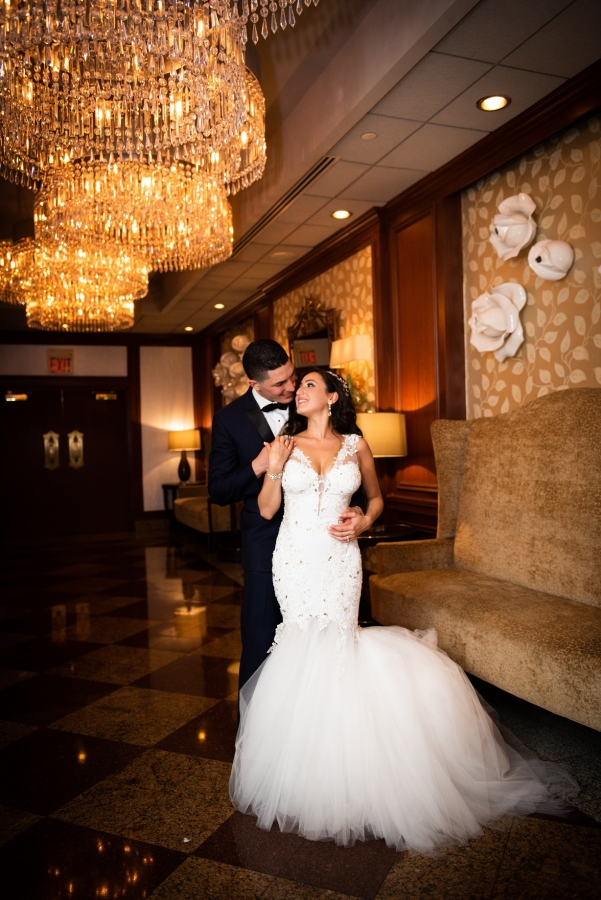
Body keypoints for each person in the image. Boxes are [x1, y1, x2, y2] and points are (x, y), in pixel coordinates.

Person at [229, 367, 577, 854]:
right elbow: (267, 510)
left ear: (331, 398)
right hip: (295, 560)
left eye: (308, 385)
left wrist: (361, 519)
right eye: (298, 386)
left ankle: (353, 763)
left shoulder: (355, 445)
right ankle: (307, 763)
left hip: (341, 560)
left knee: (340, 642)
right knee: (302, 642)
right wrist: (274, 466)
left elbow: (375, 500)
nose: (299, 392)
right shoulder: (283, 444)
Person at [209, 339, 296, 691]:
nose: (291, 388)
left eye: (292, 377)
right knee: (261, 635)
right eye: (280, 384)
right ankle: (256, 716)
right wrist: (257, 466)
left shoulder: (311, 402)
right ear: (253, 383)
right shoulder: (228, 420)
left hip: (317, 536)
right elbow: (218, 491)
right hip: (264, 540)